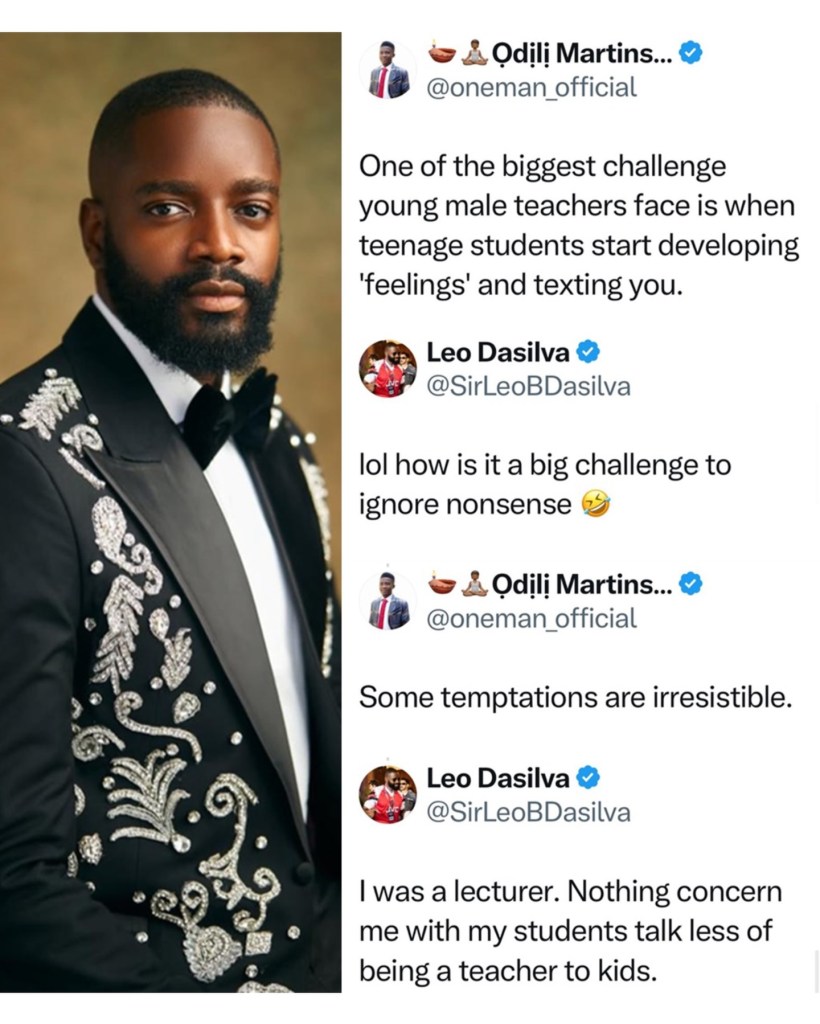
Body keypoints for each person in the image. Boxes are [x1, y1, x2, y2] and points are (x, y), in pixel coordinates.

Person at [0, 69, 340, 994]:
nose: (220, 244)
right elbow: (14, 875)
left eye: (252, 210)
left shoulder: (282, 447)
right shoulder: (22, 463)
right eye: (167, 207)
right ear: (96, 232)